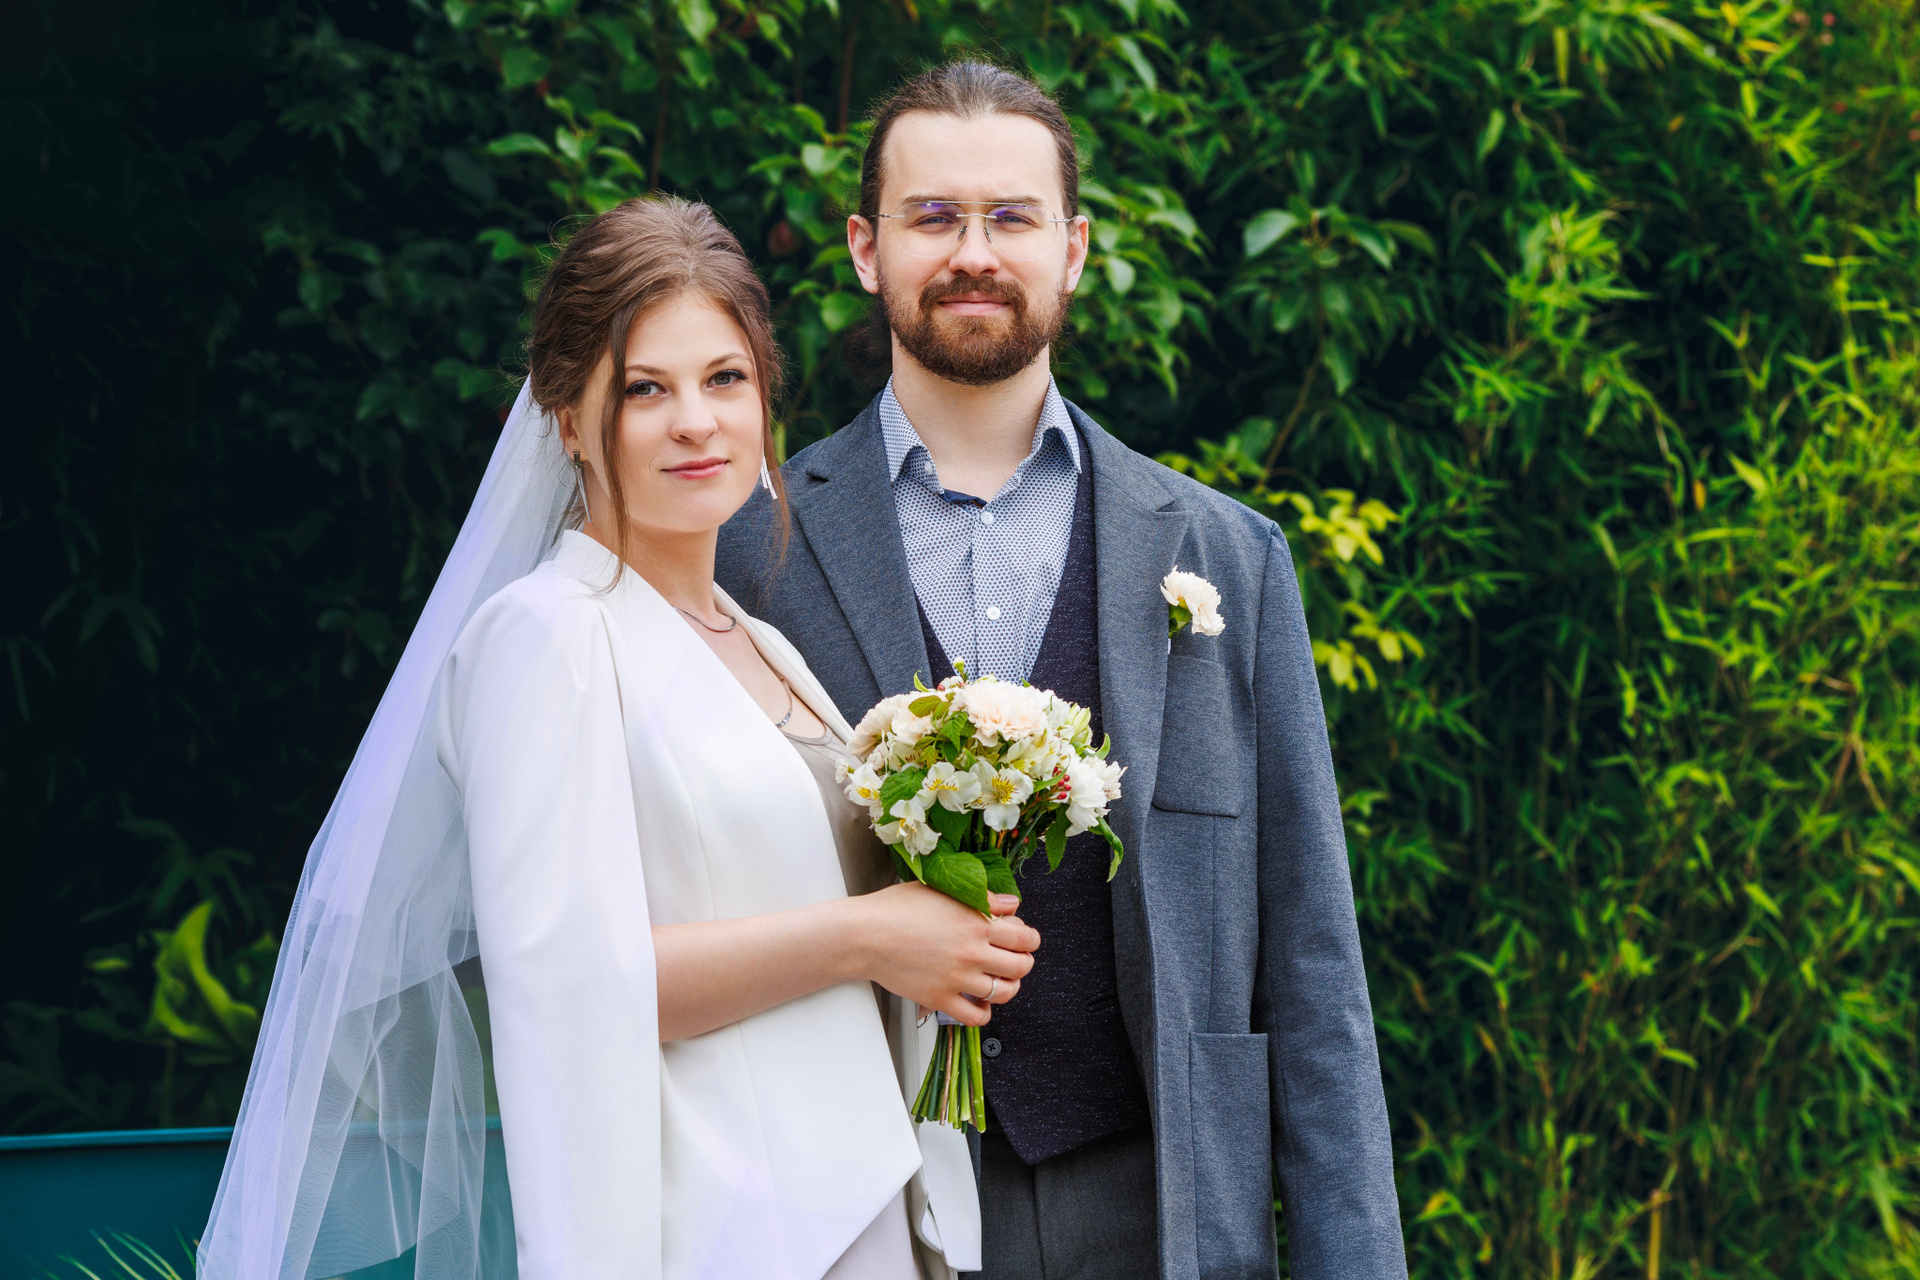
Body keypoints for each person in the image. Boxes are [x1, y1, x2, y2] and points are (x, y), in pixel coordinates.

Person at [200, 197, 1031, 1280]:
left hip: (872, 1196)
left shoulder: (759, 640)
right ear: (565, 418)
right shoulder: (544, 637)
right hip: (731, 1229)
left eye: (724, 378)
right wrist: (871, 936)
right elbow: (568, 984)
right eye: (646, 389)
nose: (695, 421)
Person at [716, 64, 1409, 1280]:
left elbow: (1313, 959)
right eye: (934, 217)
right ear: (867, 248)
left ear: (1073, 249)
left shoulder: (1227, 558)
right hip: (857, 1205)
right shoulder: (750, 550)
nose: (974, 253)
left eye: (1011, 217)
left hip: (1164, 1208)